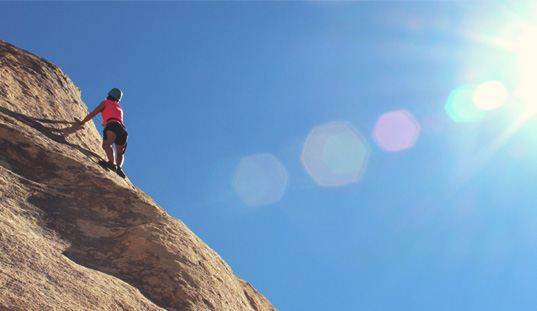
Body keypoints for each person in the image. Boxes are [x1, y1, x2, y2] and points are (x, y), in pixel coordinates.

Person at [78, 88, 128, 178]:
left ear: (108, 96)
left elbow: (93, 113)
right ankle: (119, 167)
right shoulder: (119, 108)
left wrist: (82, 122)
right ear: (117, 100)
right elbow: (114, 118)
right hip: (122, 129)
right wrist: (105, 122)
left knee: (107, 145)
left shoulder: (105, 103)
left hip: (112, 125)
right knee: (120, 153)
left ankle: (111, 163)